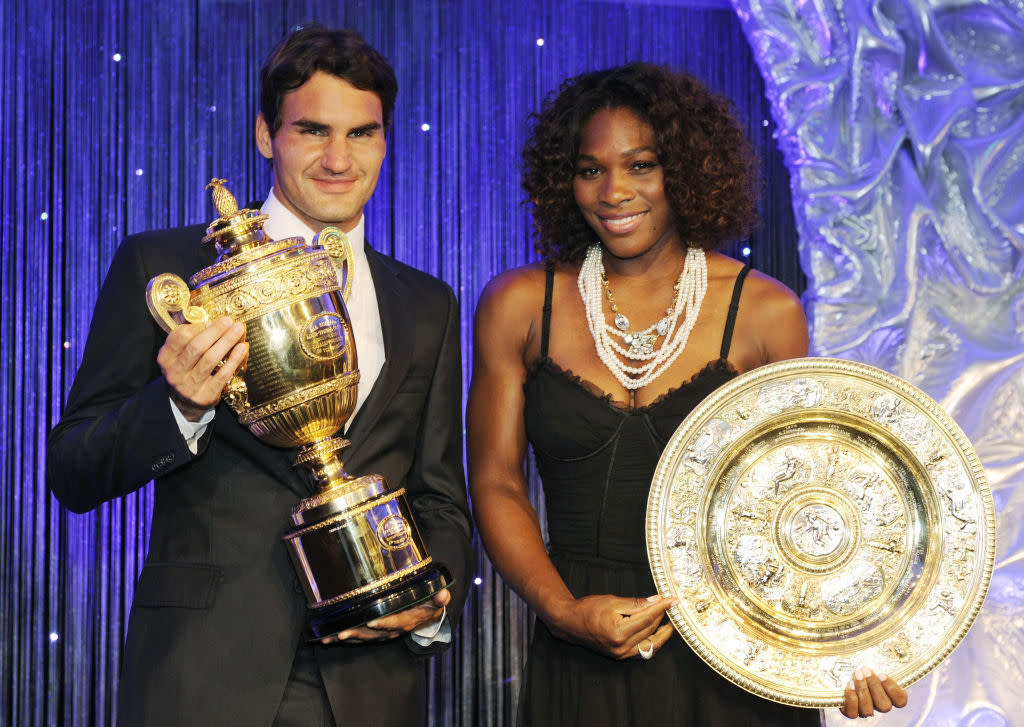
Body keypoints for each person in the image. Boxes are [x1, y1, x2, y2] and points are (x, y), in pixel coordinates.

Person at [47, 26, 472, 727]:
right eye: (312, 130)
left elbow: (438, 492)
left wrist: (435, 592)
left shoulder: (426, 303)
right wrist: (178, 405)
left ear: (386, 141)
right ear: (265, 135)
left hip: (370, 686)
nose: (340, 158)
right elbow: (73, 468)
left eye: (362, 134)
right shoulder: (170, 270)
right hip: (203, 672)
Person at [467, 63, 908, 725]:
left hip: (738, 651)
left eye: (641, 165)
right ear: (565, 180)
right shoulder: (520, 303)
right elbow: (495, 480)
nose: (615, 191)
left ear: (690, 169)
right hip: (581, 643)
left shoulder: (766, 310)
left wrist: (845, 645)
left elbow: (813, 499)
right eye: (591, 170)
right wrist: (561, 612)